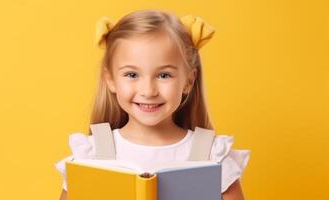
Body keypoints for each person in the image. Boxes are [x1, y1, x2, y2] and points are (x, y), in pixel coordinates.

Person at [55, 9, 251, 200]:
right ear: (111, 79)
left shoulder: (212, 157)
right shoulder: (90, 155)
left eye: (164, 75)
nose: (148, 91)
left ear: (188, 81)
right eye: (132, 75)